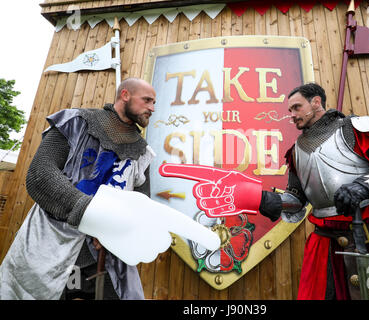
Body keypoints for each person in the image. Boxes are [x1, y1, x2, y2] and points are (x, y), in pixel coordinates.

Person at [160, 82, 369, 300]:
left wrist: (365, 185)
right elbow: (297, 201)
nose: (291, 114)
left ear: (316, 103)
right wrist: (262, 199)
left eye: (296, 107)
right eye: (289, 109)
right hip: (325, 246)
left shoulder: (355, 128)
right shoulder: (296, 152)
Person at [0, 78, 219, 300]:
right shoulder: (75, 123)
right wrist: (94, 214)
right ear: (125, 95)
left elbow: (138, 204)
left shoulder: (143, 153)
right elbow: (41, 175)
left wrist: (121, 230)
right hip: (49, 247)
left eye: (154, 103)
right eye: (147, 100)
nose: (152, 108)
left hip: (103, 255)